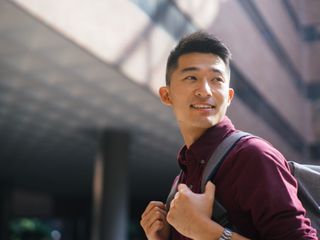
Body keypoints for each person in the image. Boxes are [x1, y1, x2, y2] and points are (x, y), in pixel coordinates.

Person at [140, 31, 318, 240]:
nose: (205, 91)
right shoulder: (181, 179)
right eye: (191, 77)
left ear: (229, 96)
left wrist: (209, 233)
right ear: (166, 95)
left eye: (216, 79)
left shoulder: (253, 157)